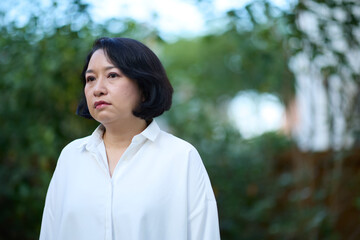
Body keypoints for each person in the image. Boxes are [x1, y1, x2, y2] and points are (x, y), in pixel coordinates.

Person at [40, 37, 220, 240]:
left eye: (112, 75)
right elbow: (50, 232)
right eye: (91, 79)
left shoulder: (181, 157)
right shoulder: (71, 157)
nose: (98, 88)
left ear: (143, 87)